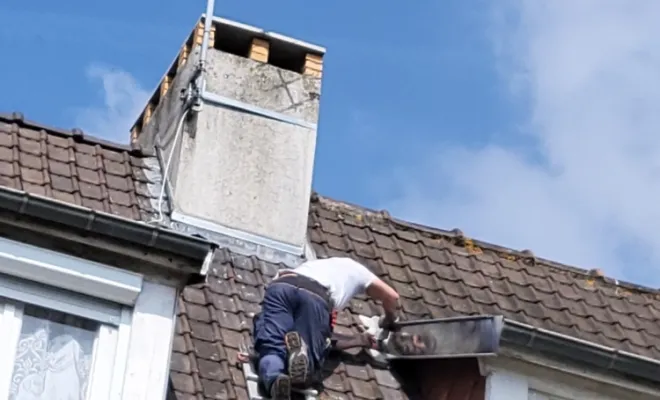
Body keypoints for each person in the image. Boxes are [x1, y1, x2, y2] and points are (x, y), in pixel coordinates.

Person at [252, 257, 400, 400]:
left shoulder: (320, 264)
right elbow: (392, 296)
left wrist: (360, 340)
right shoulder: (362, 274)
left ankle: (274, 379)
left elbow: (329, 338)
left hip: (282, 285)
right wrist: (389, 321)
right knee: (309, 370)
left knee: (271, 348)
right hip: (315, 295)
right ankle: (305, 355)